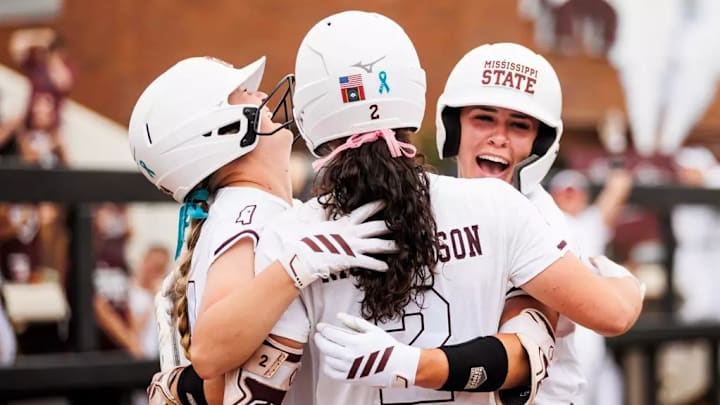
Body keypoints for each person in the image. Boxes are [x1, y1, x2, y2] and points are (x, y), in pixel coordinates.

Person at [215, 11, 642, 405]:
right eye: (484, 118)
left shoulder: (292, 231)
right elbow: (531, 349)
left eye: (518, 125)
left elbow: (247, 380)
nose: (498, 137)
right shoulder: (496, 206)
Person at [129, 55, 394, 405]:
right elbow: (211, 350)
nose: (260, 96)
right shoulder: (245, 209)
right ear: (218, 130)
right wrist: (300, 262)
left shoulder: (244, 207)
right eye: (243, 93)